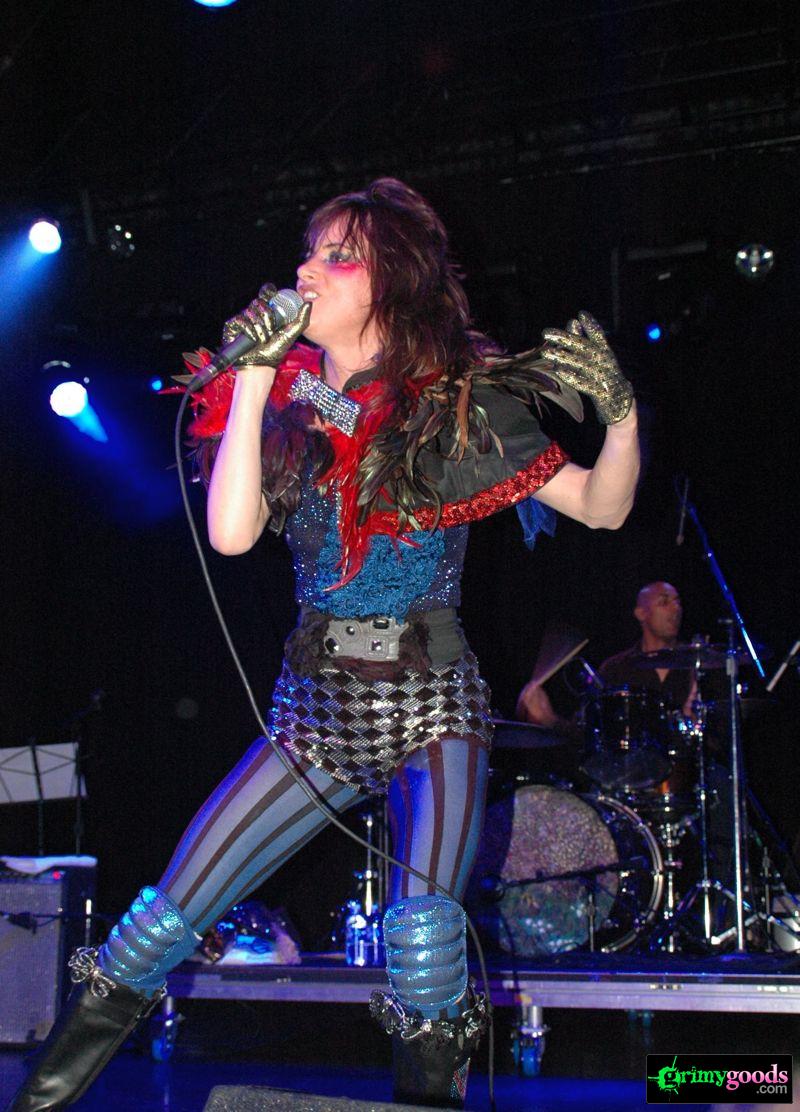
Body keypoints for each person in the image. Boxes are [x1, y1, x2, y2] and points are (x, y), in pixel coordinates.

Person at [10, 178, 639, 1111]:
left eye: (337, 256)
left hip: (432, 696)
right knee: (161, 920)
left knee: (423, 939)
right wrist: (257, 377)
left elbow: (599, 505)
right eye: (309, 251)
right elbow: (232, 534)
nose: (306, 269)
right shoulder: (295, 393)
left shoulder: (453, 405)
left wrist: (622, 419)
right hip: (317, 704)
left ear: (392, 281)